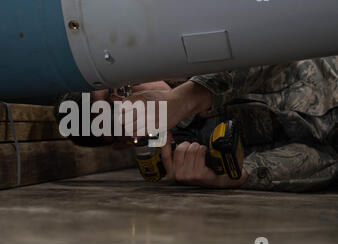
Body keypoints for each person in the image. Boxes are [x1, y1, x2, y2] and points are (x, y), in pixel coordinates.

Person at [55, 56, 338, 192]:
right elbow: (327, 161)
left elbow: (277, 53)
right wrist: (241, 175)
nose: (133, 105)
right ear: (121, 143)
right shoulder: (188, 157)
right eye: (116, 118)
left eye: (122, 90)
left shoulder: (182, 52)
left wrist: (186, 98)